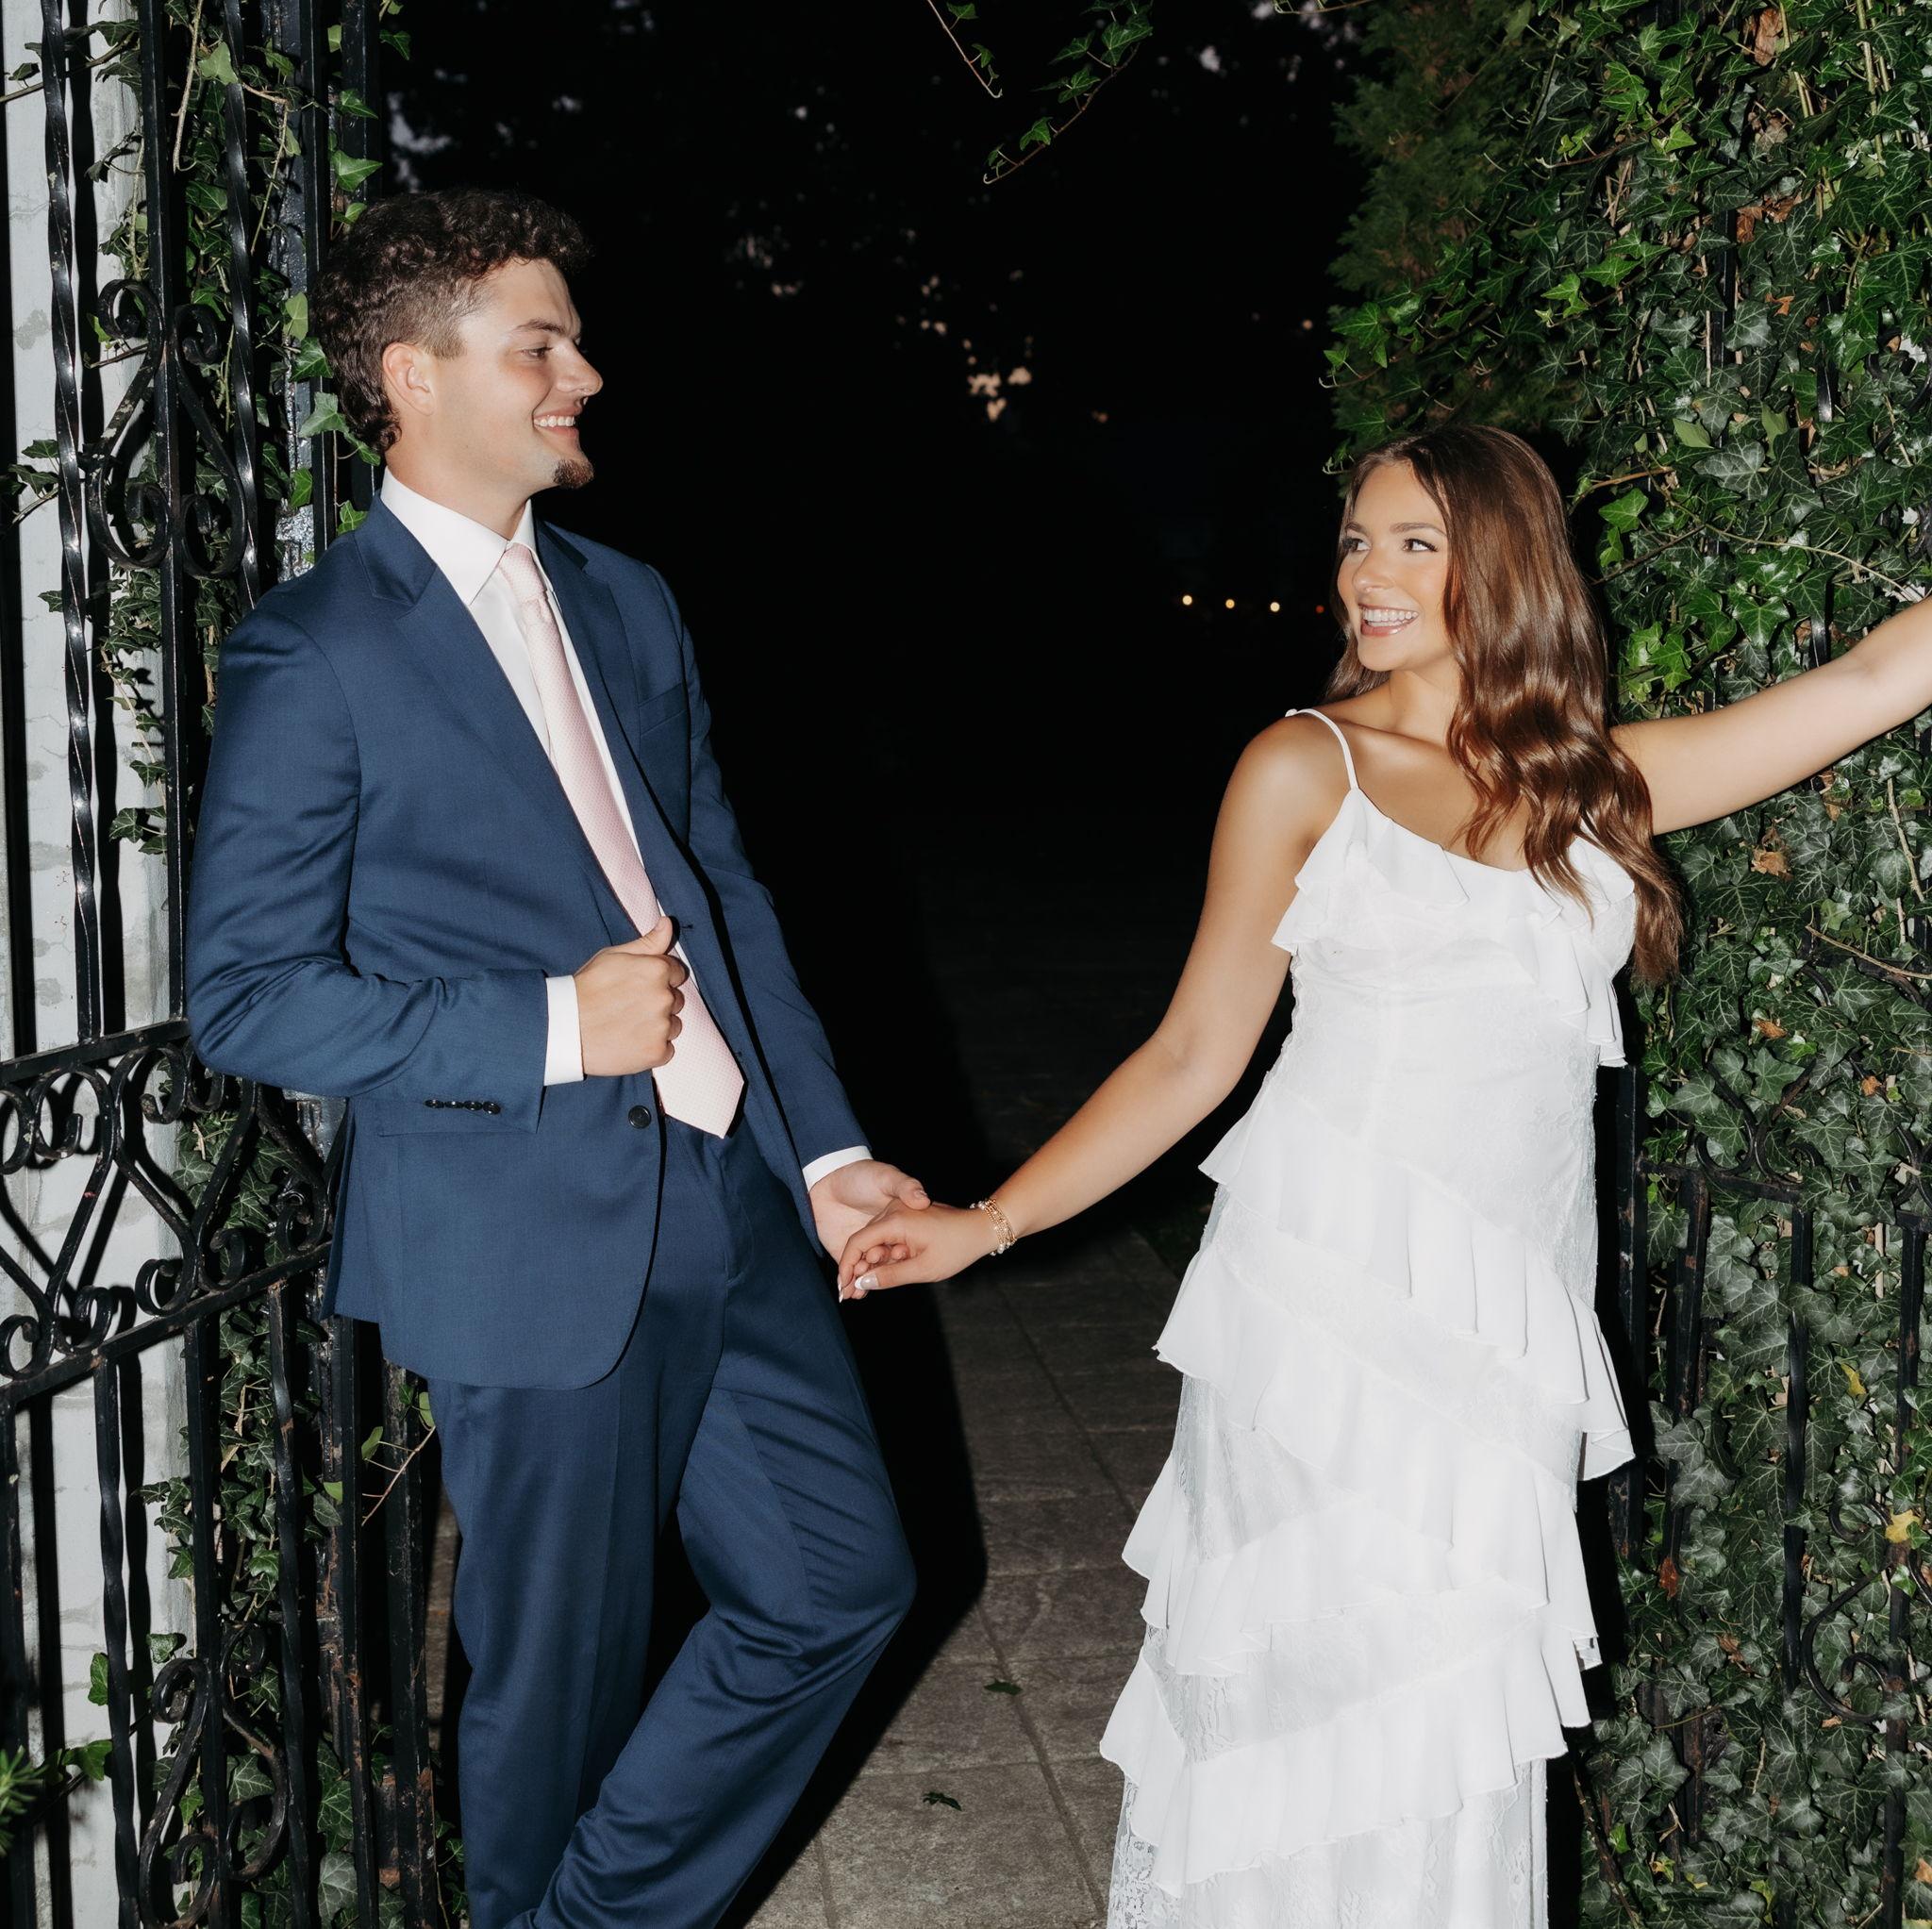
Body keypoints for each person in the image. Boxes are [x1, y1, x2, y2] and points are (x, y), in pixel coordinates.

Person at [836, 422, 1932, 1926]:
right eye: (1359, 538)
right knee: (1316, 1681)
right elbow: (1194, 1052)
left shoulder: (1594, 784)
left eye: (1417, 541)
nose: (1371, 571)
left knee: (1456, 1699)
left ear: (1507, 564)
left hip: (1504, 1325)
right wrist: (989, 1221)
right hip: (1322, 1304)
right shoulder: (1307, 763)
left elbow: (1867, 681)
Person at [187, 188, 925, 1929]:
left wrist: (824, 1155)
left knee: (838, 1585)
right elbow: (247, 998)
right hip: (524, 1236)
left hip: (731, 1192)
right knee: (560, 1689)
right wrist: (546, 1022)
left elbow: (718, 892)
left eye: (574, 342)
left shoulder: (628, 602)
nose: (582, 374)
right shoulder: (317, 647)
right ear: (412, 375)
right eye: (539, 347)